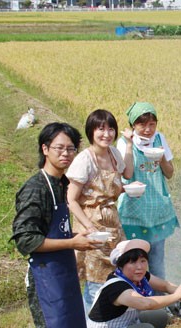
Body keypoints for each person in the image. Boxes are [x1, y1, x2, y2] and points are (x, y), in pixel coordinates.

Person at [11, 122, 100, 328]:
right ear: (45, 148)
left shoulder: (60, 184)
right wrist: (73, 242)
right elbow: (25, 239)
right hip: (46, 278)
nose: (66, 154)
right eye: (60, 148)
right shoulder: (36, 188)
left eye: (71, 149)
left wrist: (80, 241)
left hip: (62, 274)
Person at [66, 109, 129, 309]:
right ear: (91, 131)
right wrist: (89, 227)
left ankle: (112, 319)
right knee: (95, 280)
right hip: (92, 225)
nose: (106, 134)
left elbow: (125, 175)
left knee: (116, 271)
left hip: (113, 223)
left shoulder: (114, 153)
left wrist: (129, 145)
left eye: (111, 129)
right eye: (101, 129)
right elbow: (71, 199)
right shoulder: (84, 160)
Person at [116, 102, 178, 280]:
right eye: (142, 124)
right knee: (132, 260)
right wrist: (128, 144)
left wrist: (161, 156)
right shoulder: (124, 142)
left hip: (158, 209)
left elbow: (170, 173)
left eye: (152, 124)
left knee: (157, 260)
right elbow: (125, 173)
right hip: (133, 210)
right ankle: (133, 300)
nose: (147, 129)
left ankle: (158, 302)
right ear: (133, 125)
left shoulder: (159, 139)